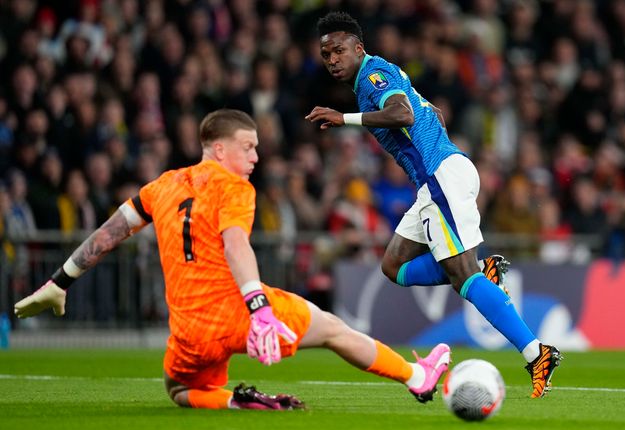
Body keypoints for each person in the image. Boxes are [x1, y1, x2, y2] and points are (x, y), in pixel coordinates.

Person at [14, 109, 451, 410]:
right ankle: (417, 377)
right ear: (219, 149)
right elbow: (236, 244)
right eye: (248, 147)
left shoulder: (162, 186)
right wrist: (259, 308)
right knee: (334, 329)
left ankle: (231, 399)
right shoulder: (234, 187)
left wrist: (59, 282)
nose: (256, 157)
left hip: (187, 328)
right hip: (238, 311)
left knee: (179, 389)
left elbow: (108, 233)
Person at [305, 12, 561, 399]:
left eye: (339, 50)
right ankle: (484, 273)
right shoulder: (377, 76)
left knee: (463, 277)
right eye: (326, 55)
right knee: (393, 266)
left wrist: (345, 119)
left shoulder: (373, 76)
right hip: (438, 180)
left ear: (359, 48)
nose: (333, 59)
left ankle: (535, 352)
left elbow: (402, 113)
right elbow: (419, 109)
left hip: (439, 175)